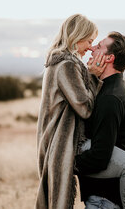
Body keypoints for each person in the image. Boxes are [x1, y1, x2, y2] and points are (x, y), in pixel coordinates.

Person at [36, 14, 106, 209]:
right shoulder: (67, 65)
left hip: (53, 141)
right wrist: (94, 76)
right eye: (90, 41)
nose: (91, 47)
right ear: (77, 36)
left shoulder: (56, 62)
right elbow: (85, 108)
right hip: (62, 143)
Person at [75, 32, 125, 209]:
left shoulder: (110, 97)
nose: (92, 49)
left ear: (108, 58)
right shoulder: (112, 88)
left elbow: (100, 156)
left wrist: (65, 163)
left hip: (106, 200)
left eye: (98, 47)